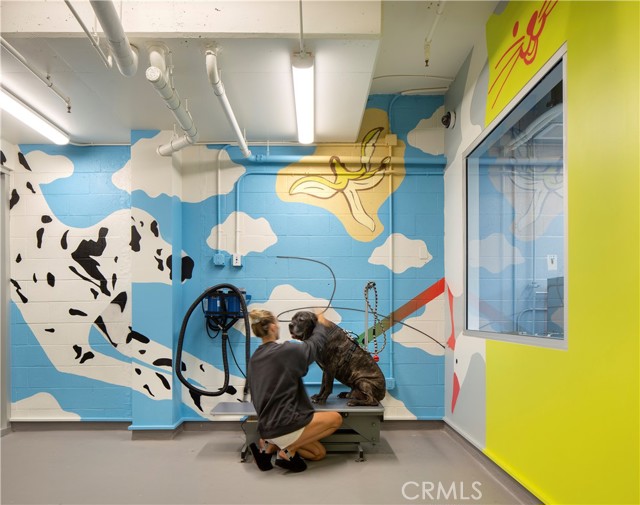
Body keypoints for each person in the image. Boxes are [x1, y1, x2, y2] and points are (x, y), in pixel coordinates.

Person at [247, 308, 343, 472]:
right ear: (272, 327)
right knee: (336, 419)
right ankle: (287, 451)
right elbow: (315, 345)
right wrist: (320, 321)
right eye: (277, 323)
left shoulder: (255, 357)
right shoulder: (285, 351)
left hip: (267, 426)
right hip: (285, 423)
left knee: (318, 453)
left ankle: (267, 448)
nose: (279, 326)